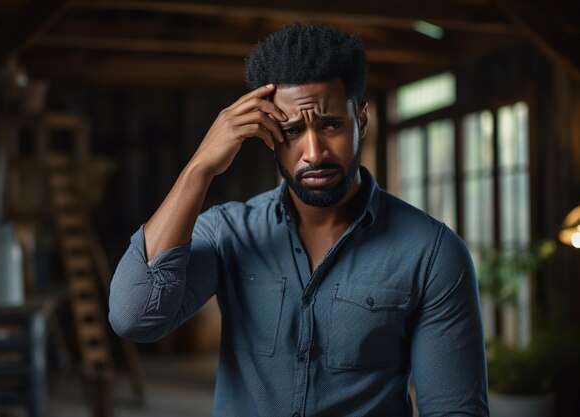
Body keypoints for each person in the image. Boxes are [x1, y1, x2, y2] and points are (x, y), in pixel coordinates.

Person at [109, 23, 489, 417]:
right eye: (291, 130)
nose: (313, 152)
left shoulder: (432, 252)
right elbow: (134, 318)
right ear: (268, 133)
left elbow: (454, 410)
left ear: (360, 121)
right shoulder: (228, 232)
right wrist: (199, 169)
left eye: (330, 125)